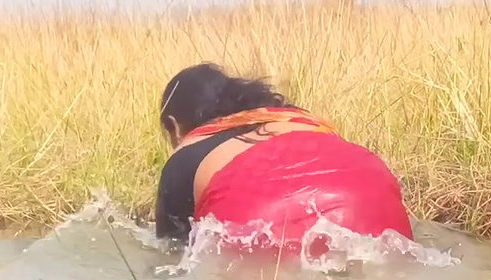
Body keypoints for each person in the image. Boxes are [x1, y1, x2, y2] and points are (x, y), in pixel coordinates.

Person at [154, 63, 413, 248]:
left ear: (175, 127)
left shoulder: (189, 152)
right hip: (369, 193)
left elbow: (172, 255)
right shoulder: (302, 120)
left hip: (264, 230)